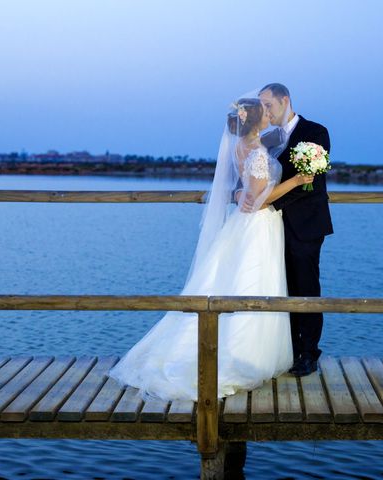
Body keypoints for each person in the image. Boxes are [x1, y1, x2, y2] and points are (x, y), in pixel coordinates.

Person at [107, 93, 314, 401]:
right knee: (252, 283)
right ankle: (245, 355)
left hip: (249, 225)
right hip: (258, 225)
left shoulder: (245, 146)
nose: (270, 114)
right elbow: (259, 200)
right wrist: (298, 180)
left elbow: (249, 184)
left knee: (239, 281)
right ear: (256, 118)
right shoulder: (255, 150)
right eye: (265, 111)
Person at [258, 83, 334, 377]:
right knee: (281, 287)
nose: (265, 111)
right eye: (261, 106)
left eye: (268, 105)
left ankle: (309, 353)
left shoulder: (316, 132)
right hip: (271, 228)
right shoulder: (266, 140)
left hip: (305, 224)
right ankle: (287, 349)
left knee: (306, 288)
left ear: (285, 100)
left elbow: (309, 181)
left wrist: (269, 203)